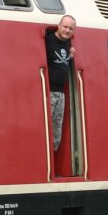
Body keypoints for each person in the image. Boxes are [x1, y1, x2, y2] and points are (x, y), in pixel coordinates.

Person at [45, 15, 76, 152]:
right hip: (48, 92)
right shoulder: (49, 40)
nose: (67, 30)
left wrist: (71, 55)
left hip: (61, 93)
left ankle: (52, 156)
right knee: (45, 127)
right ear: (58, 25)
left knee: (57, 130)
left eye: (70, 28)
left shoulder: (68, 44)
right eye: (65, 26)